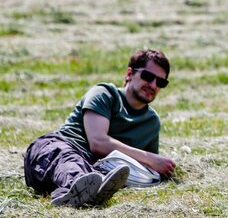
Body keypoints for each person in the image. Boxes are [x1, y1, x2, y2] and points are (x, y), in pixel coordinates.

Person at [23, 49, 176, 207]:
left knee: (94, 174)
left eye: (160, 82)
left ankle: (70, 197)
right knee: (70, 159)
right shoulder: (104, 94)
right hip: (53, 152)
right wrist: (151, 158)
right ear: (130, 73)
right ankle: (84, 188)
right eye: (148, 76)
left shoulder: (151, 122)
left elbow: (145, 170)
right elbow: (98, 143)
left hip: (92, 169)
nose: (153, 85)